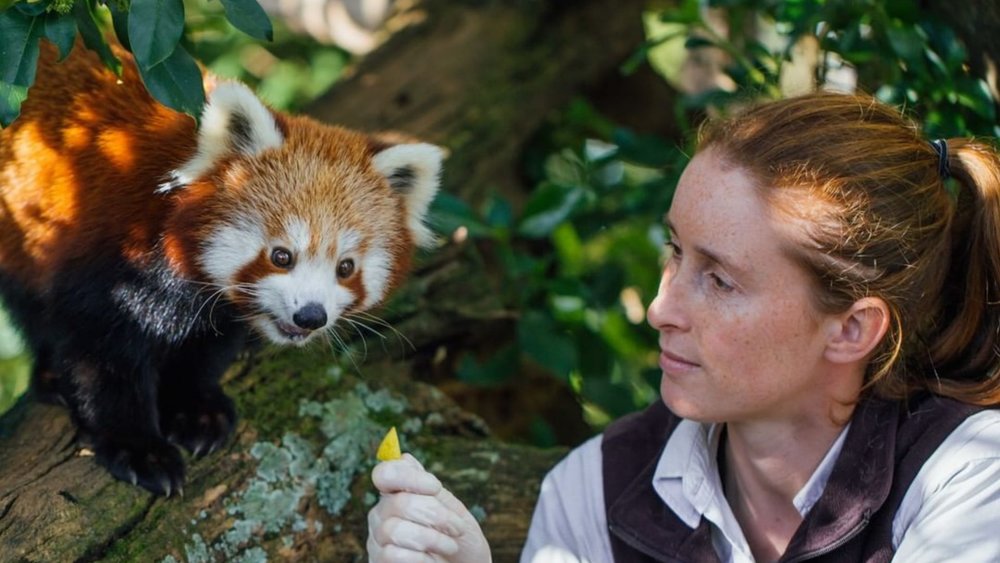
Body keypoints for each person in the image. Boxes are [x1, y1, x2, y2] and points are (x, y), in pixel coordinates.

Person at [365, 91, 1000, 562]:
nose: (660, 309)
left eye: (719, 280)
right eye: (675, 252)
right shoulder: (594, 488)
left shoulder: (970, 476)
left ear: (851, 330)